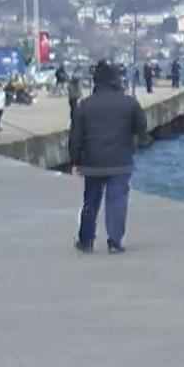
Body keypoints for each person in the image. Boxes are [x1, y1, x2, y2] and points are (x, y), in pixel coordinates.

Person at [69, 61, 148, 255]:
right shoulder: (129, 103)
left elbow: (76, 136)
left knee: (91, 201)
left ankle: (86, 240)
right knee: (117, 201)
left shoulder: (85, 105)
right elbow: (142, 128)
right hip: (121, 161)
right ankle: (114, 241)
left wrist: (75, 160)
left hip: (93, 161)